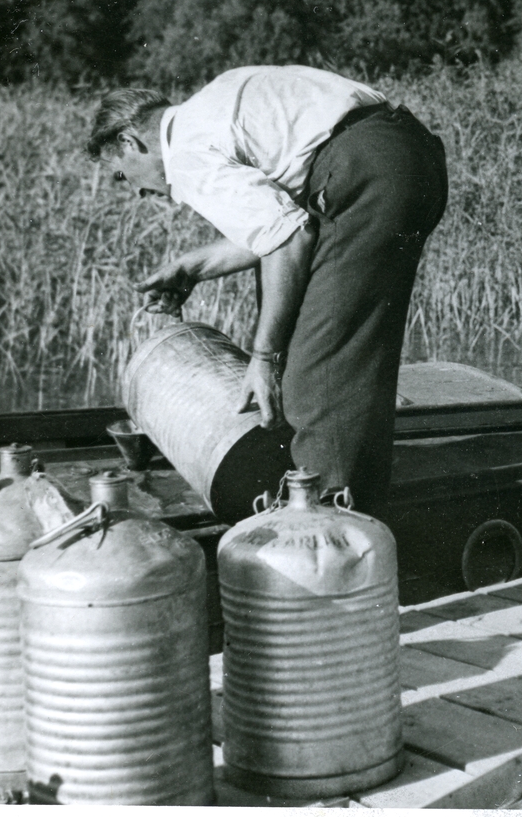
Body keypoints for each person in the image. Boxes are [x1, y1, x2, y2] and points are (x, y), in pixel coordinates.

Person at [87, 65, 447, 522]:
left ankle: (326, 535)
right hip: (407, 156)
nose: (137, 192)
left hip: (365, 174)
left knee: (319, 376)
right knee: (344, 353)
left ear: (130, 143)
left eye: (123, 176)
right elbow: (282, 221)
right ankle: (349, 506)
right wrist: (193, 266)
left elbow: (288, 240)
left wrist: (264, 357)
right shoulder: (211, 104)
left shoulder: (187, 154)